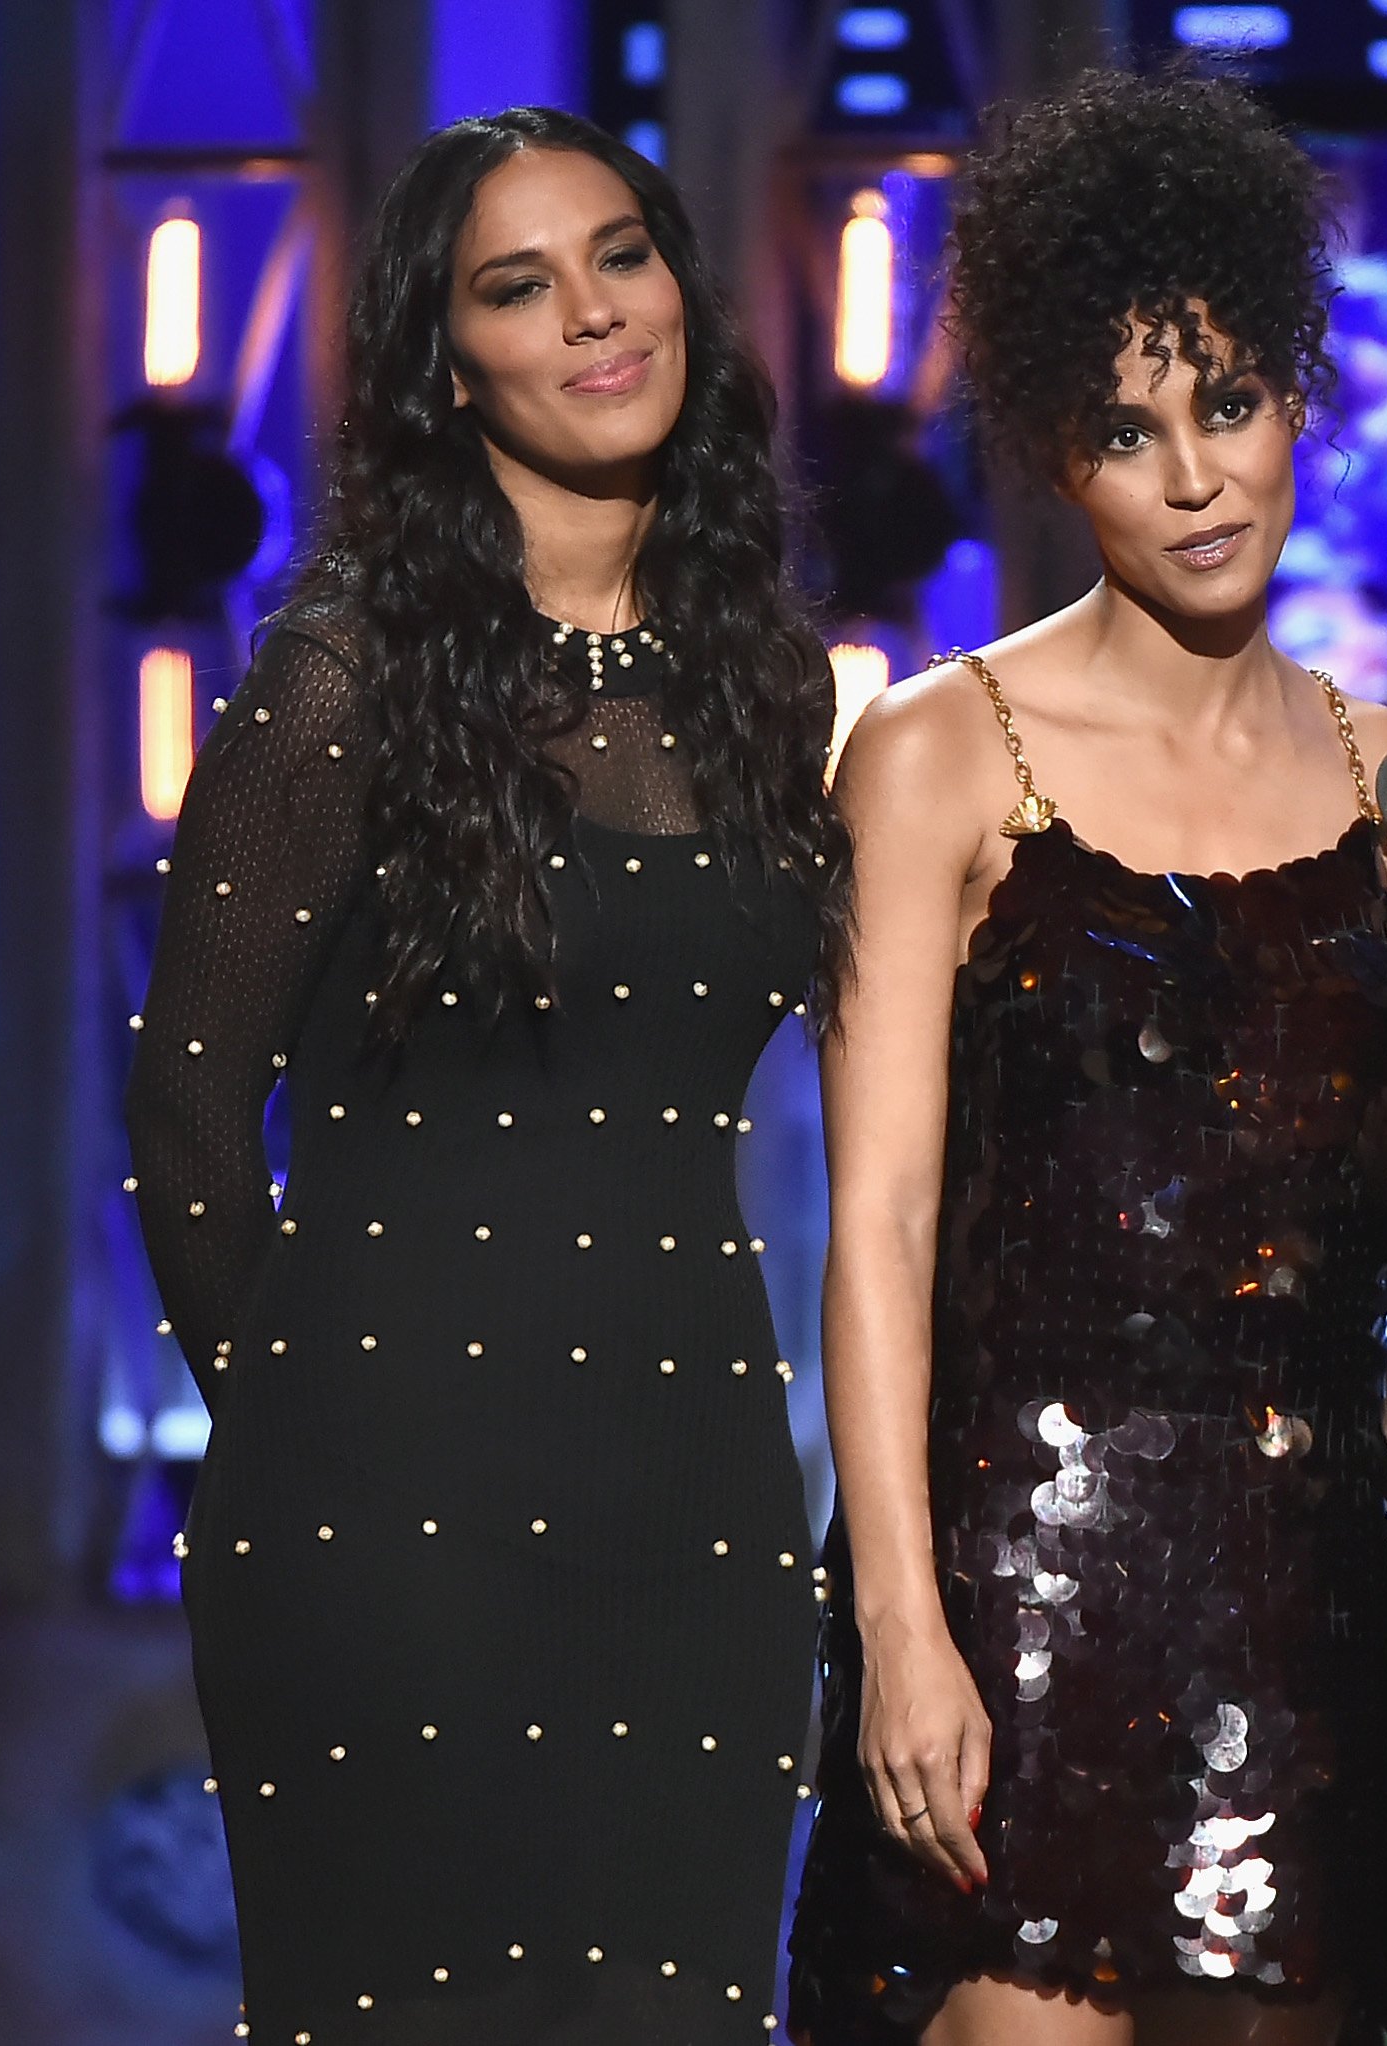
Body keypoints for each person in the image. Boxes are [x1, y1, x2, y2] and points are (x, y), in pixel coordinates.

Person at [786, 70, 1387, 2046]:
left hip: (1314, 1625)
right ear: (1051, 455)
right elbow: (884, 1229)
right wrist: (904, 1629)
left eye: (1228, 404)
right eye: (1126, 428)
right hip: (1015, 1603)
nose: (1192, 474)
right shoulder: (939, 755)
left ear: (1299, 397)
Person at [125, 106, 846, 2044]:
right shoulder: (348, 674)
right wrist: (297, 1430)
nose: (596, 315)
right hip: (387, 1519)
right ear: (449, 366)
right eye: (519, 287)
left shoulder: (772, 685)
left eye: (622, 255)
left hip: (695, 1509)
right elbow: (185, 1113)